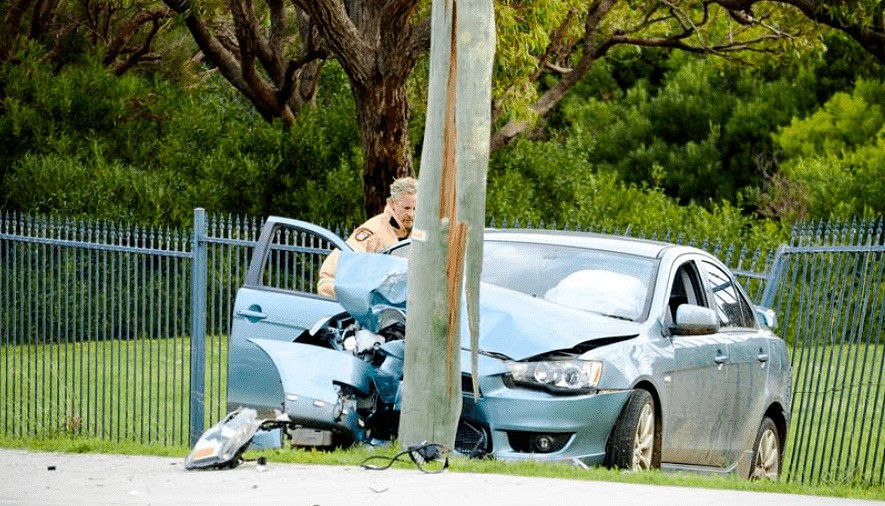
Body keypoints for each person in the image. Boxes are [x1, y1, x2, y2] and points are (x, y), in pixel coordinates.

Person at [317, 177, 417, 298]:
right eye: (406, 208)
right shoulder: (373, 230)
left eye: (415, 208)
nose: (411, 214)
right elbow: (331, 272)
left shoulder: (417, 233)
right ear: (392, 203)